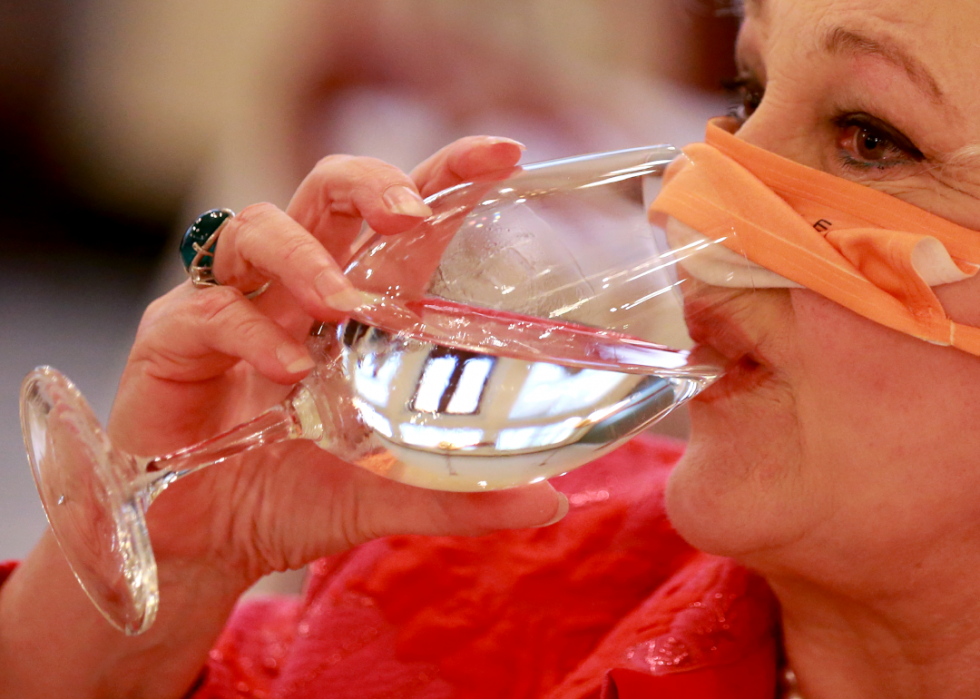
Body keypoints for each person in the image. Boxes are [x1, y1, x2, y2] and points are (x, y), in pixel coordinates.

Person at [4, 0, 980, 696]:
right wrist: (176, 573)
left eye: (866, 137)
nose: (686, 205)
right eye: (747, 86)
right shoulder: (469, 593)